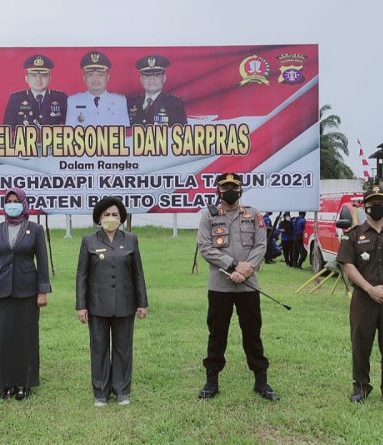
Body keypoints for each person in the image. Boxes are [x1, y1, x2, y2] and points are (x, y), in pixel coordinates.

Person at [196, 173, 279, 401]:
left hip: (248, 286)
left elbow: (261, 246)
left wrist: (246, 269)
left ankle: (261, 382)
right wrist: (233, 266)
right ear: (218, 191)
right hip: (220, 287)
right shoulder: (208, 217)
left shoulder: (254, 215)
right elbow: (205, 247)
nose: (229, 191)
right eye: (225, 188)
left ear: (240, 190)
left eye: (234, 187)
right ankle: (211, 382)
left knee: (252, 334)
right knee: (217, 334)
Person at [336, 186, 383, 410]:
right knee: (361, 343)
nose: (377, 206)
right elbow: (348, 266)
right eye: (373, 202)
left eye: (381, 202)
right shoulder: (353, 236)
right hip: (363, 298)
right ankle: (360, 388)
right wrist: (370, 289)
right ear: (365, 206)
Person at [0, 188, 51, 400]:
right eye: (8, 201)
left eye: (15, 201)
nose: (12, 204)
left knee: (25, 336)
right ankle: (5, 384)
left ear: (23, 203)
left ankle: (23, 383)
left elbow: (43, 261)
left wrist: (42, 291)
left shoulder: (35, 229)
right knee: (3, 337)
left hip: (27, 291)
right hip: (1, 291)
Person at [76, 197, 148, 406]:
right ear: (99, 218)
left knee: (123, 348)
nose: (110, 218)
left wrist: (142, 303)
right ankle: (100, 392)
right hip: (97, 305)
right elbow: (82, 275)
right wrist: (81, 305)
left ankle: (122, 390)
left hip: (125, 305)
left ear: (121, 218)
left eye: (115, 215)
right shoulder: (89, 241)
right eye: (106, 214)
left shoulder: (131, 240)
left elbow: (138, 274)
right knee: (99, 347)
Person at [65, 50, 130, 127]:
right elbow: (69, 134)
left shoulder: (120, 102)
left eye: (100, 75)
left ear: (107, 77)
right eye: (90, 75)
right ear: (84, 78)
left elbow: (124, 134)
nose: (95, 79)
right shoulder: (73, 101)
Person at [3, 54, 67, 127]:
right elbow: (8, 129)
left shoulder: (61, 98)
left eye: (43, 75)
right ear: (26, 79)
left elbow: (69, 127)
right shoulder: (16, 99)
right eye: (34, 75)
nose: (38, 80)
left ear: (50, 78)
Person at [127, 54, 187, 126]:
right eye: (147, 75)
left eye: (157, 75)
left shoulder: (175, 104)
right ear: (141, 80)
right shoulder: (131, 103)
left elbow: (180, 134)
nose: (152, 79)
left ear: (164, 79)